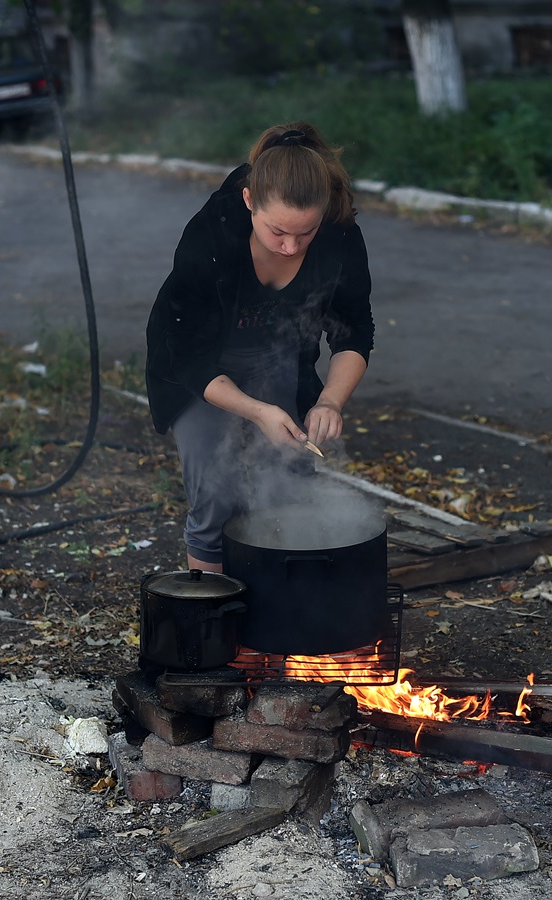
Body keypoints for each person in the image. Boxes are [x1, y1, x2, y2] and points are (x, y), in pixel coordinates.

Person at [145, 122, 374, 573]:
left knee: (292, 485)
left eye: (305, 234)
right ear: (249, 201)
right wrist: (257, 411)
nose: (291, 247)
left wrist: (330, 400)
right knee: (215, 495)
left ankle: (285, 619)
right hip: (199, 370)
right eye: (278, 232)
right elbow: (188, 353)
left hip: (280, 358)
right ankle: (212, 626)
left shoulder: (339, 234)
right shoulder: (210, 236)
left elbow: (354, 331)